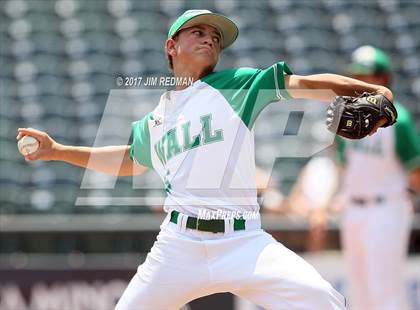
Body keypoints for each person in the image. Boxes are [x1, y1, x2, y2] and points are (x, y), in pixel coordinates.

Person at [17, 10, 395, 309]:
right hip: (178, 245)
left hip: (243, 241)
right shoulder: (156, 118)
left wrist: (372, 89)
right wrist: (58, 151)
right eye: (198, 32)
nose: (210, 39)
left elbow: (307, 84)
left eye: (215, 37)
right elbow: (130, 161)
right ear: (171, 45)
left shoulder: (237, 85)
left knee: (323, 301)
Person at [335, 45, 420, 309]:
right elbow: (344, 167)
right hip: (353, 210)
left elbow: (416, 172)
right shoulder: (345, 116)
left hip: (387, 209)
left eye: (366, 75)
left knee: (385, 290)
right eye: (355, 75)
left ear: (383, 79)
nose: (359, 82)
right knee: (358, 290)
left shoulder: (400, 120)